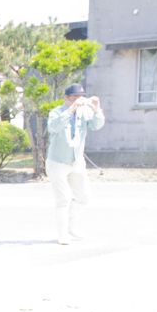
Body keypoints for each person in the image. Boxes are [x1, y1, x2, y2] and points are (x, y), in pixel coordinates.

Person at [45, 84, 104, 245]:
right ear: (66, 98)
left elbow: (97, 125)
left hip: (77, 161)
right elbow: (54, 127)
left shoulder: (84, 113)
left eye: (80, 97)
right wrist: (71, 110)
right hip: (57, 161)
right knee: (63, 198)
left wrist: (96, 109)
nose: (78, 101)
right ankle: (62, 234)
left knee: (83, 196)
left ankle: (72, 227)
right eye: (74, 98)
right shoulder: (57, 112)